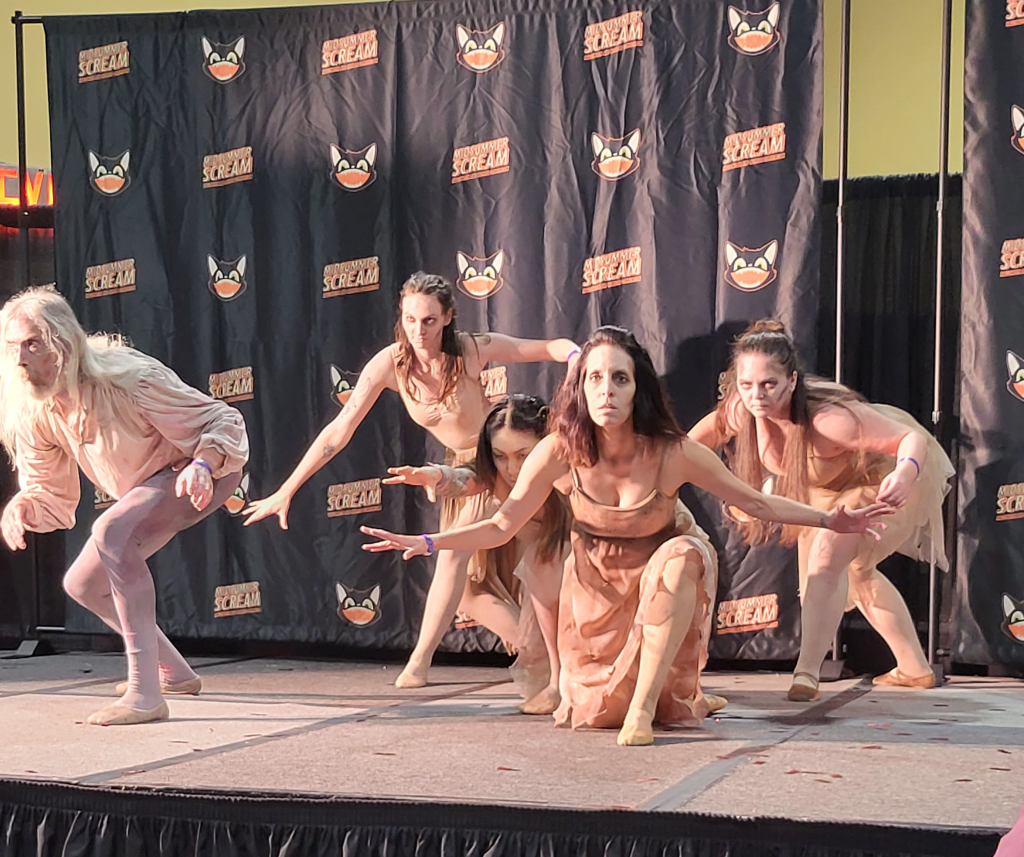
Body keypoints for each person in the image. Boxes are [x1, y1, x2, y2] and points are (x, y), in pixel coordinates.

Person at [360, 326, 891, 746]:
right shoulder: (558, 451)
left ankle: (644, 706)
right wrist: (428, 544)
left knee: (683, 557)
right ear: (579, 387)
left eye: (619, 379)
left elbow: (752, 500)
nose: (606, 391)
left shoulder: (669, 450)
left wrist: (830, 521)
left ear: (637, 388)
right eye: (594, 378)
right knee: (592, 713)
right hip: (596, 590)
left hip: (665, 566)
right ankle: (673, 695)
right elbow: (503, 523)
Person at [244, 272, 579, 689]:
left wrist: (577, 358)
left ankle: (422, 663)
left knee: (486, 560)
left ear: (448, 319)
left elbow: (547, 347)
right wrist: (287, 489)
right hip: (457, 472)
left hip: (495, 464)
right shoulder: (390, 364)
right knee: (470, 593)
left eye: (429, 321)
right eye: (410, 319)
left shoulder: (470, 349)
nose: (418, 331)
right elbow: (338, 431)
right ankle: (541, 655)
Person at [0, 286, 248, 725]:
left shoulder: (127, 377)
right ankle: (174, 672)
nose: (20, 360)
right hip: (150, 484)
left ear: (61, 343)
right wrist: (23, 505)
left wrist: (204, 466)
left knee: (112, 532)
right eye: (12, 346)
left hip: (201, 469)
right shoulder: (35, 409)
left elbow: (223, 419)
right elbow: (50, 491)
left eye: (32, 344)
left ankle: (145, 695)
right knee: (82, 584)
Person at [688, 320, 954, 702]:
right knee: (857, 570)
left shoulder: (829, 420)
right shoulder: (741, 408)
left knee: (829, 555)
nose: (756, 396)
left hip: (882, 478)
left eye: (769, 385)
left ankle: (806, 673)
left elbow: (909, 439)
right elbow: (687, 449)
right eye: (746, 385)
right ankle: (914, 668)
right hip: (827, 493)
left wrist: (905, 472)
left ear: (792, 381)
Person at [383, 394, 568, 714]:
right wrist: (438, 476)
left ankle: (564, 671)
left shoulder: (565, 465)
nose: (512, 468)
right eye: (500, 455)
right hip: (525, 542)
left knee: (545, 565)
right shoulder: (492, 476)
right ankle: (423, 657)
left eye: (523, 455)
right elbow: (465, 481)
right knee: (464, 572)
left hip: (587, 558)